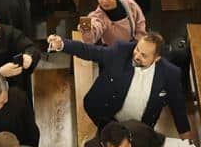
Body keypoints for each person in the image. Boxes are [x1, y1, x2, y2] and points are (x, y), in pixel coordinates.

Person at [52, 30, 192, 135]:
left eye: (144, 55)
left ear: (157, 58)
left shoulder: (170, 73)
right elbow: (90, 51)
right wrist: (63, 45)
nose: (136, 56)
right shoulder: (120, 52)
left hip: (139, 128)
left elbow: (177, 103)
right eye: (137, 49)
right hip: (108, 117)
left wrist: (184, 132)